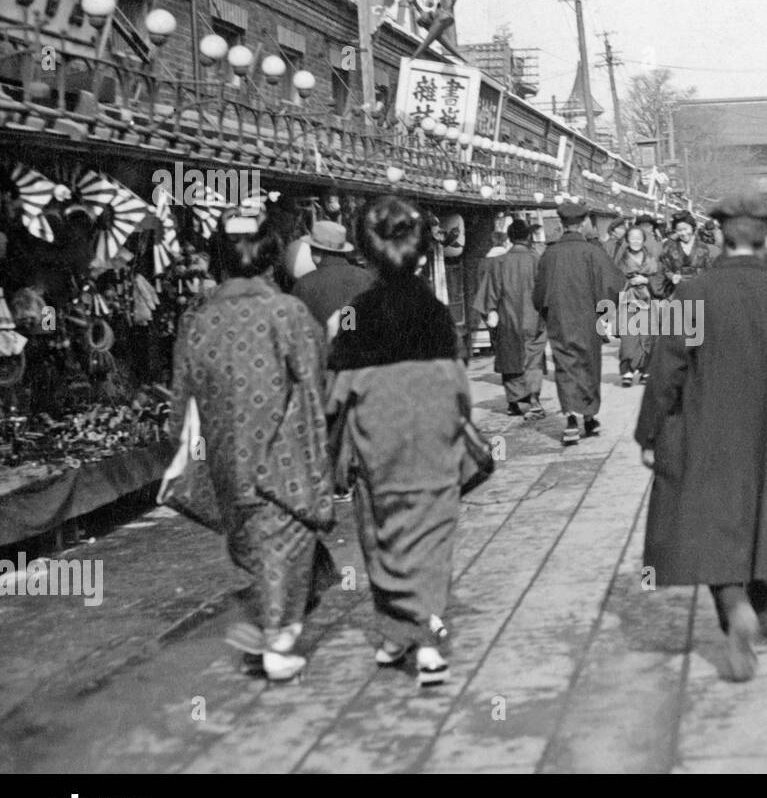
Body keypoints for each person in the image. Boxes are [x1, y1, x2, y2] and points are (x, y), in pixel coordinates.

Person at [635, 193, 767, 683]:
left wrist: (649, 432)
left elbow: (665, 371)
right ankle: (765, 622)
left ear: (722, 239)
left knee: (712, 521)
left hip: (706, 433)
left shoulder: (690, 295)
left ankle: (733, 606)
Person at [170, 205, 336, 682]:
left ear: (218, 260)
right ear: (271, 258)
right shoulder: (287, 312)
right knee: (284, 546)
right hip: (284, 454)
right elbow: (313, 384)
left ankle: (271, 634)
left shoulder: (196, 320)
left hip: (225, 459)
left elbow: (182, 400)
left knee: (256, 548)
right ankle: (275, 642)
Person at [328, 196, 465, 686]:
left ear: (365, 252)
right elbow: (457, 385)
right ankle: (427, 642)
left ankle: (392, 634)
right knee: (430, 539)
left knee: (379, 539)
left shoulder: (354, 313)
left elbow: (336, 387)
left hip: (375, 444)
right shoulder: (435, 312)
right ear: (421, 252)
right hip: (430, 445)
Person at [533, 201, 624, 445]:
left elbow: (539, 292)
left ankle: (571, 420)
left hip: (560, 320)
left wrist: (545, 313)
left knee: (565, 367)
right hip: (588, 319)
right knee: (589, 365)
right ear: (583, 223)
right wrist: (605, 314)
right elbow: (612, 284)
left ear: (562, 224)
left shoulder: (549, 254)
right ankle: (589, 417)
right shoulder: (594, 252)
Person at [473, 219, 546, 418]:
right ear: (528, 237)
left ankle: (513, 402)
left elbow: (489, 294)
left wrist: (490, 312)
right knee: (533, 359)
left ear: (510, 239)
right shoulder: (537, 260)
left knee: (510, 357)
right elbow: (546, 292)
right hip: (534, 318)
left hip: (508, 318)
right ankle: (534, 399)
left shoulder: (499, 263)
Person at [291, 220, 375, 341]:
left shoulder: (303, 285)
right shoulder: (367, 278)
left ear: (316, 251)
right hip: (363, 355)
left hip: (325, 357)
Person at [614, 225, 664, 386]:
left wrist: (647, 280)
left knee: (649, 336)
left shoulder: (652, 260)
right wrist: (628, 282)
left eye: (639, 238)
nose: (635, 241)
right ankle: (627, 371)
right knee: (629, 337)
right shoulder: (620, 260)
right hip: (628, 300)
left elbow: (659, 278)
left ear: (643, 240)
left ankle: (646, 370)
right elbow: (613, 279)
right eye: (632, 238)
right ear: (627, 240)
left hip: (650, 300)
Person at [660, 212, 714, 295]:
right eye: (679, 230)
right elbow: (664, 267)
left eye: (686, 229)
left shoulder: (703, 248)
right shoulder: (669, 247)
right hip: (676, 292)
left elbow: (709, 270)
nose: (683, 233)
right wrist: (672, 276)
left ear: (692, 228)